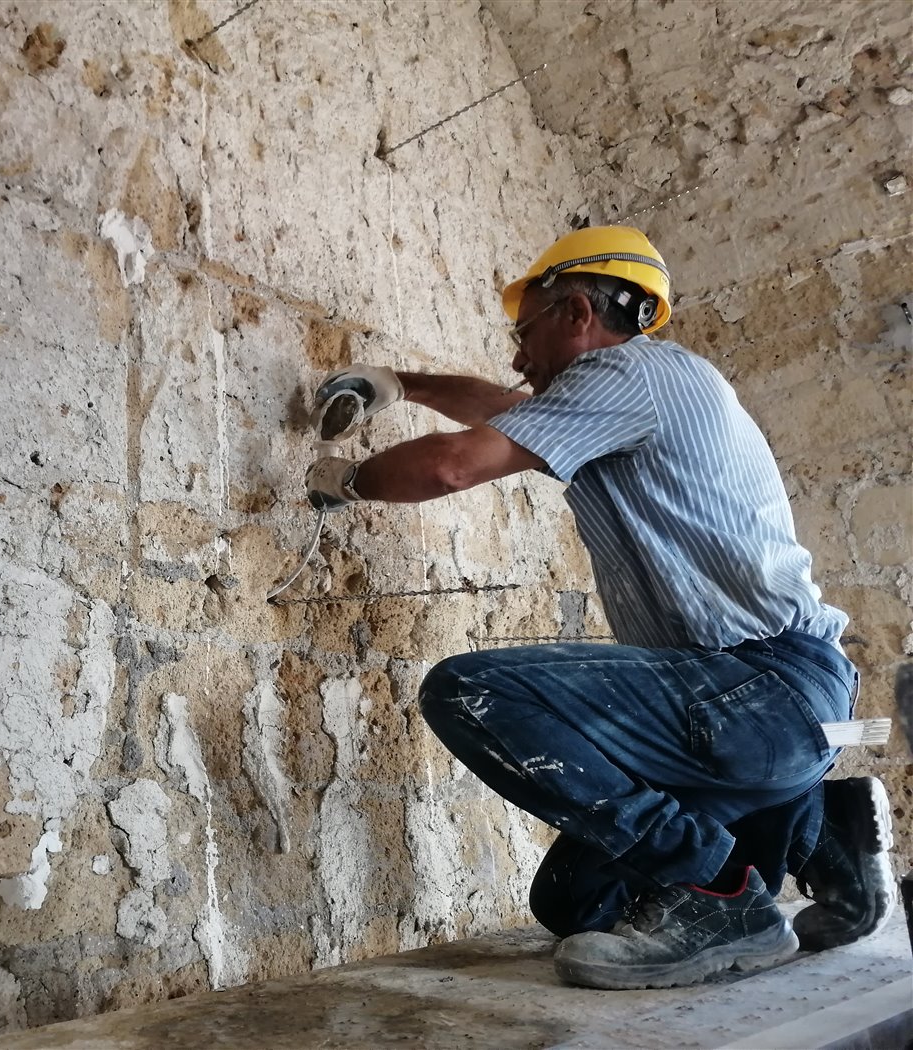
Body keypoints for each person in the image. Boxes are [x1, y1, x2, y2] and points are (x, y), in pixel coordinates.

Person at [304, 226, 895, 990]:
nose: (519, 357)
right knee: (575, 901)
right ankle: (824, 835)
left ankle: (718, 894)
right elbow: (507, 408)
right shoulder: (641, 392)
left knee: (470, 691)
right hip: (775, 714)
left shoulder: (627, 375)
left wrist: (346, 482)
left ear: (578, 312)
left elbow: (452, 465)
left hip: (761, 694)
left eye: (525, 333)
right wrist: (399, 382)